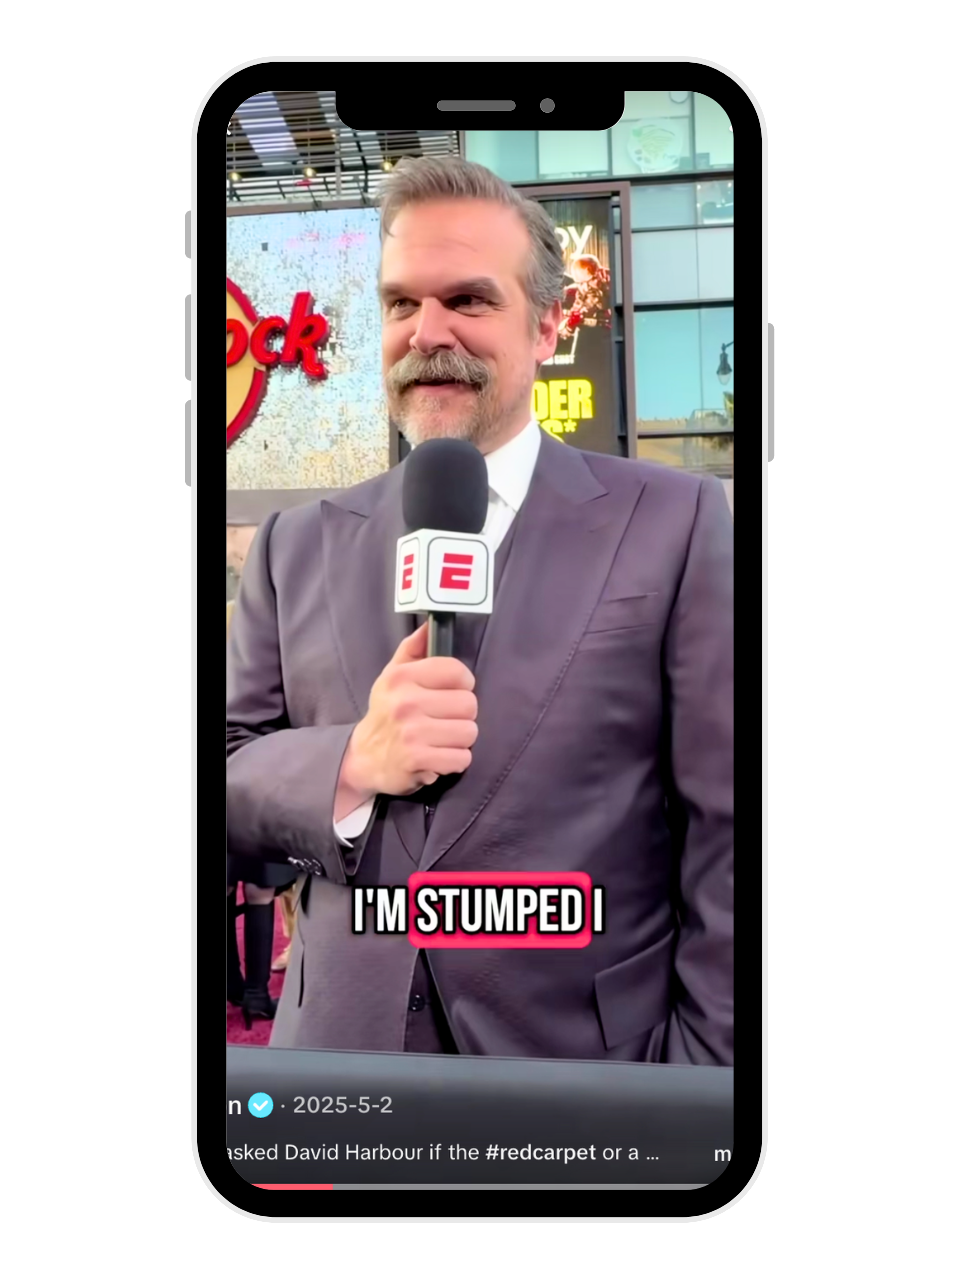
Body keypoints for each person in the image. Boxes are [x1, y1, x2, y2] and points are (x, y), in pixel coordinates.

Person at [226, 156, 733, 1064]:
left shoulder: (675, 521)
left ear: (547, 327)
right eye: (401, 304)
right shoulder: (294, 544)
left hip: (591, 1078)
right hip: (339, 1073)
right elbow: (225, 773)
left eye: (468, 299)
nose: (428, 333)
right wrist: (350, 765)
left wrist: (704, 1076)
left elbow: (728, 829)